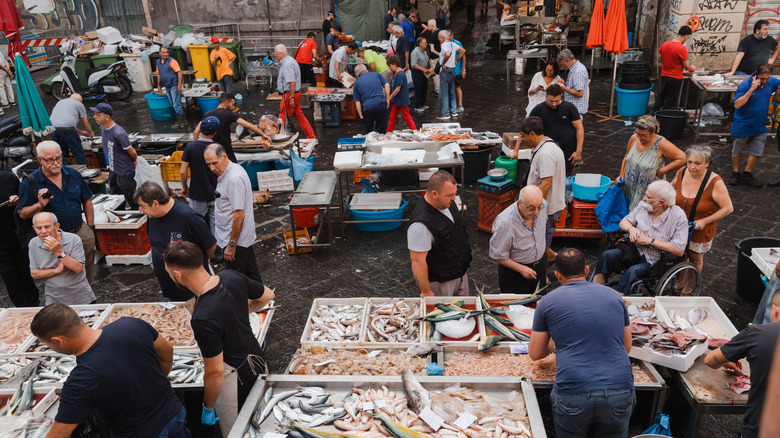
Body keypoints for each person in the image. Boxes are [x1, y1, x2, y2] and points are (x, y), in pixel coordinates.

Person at [163, 241, 274, 436]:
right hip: (257, 361)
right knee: (263, 421)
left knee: (239, 432)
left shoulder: (202, 317)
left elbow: (215, 372)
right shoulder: (230, 276)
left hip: (236, 380)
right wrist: (240, 311)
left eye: (170, 274)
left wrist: (208, 406)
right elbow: (268, 296)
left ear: (178, 275)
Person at [30, 303, 190, 438]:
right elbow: (167, 350)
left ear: (58, 341)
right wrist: (154, 382)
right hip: (174, 414)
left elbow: (60, 433)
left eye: (47, 344)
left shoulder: (80, 381)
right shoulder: (131, 325)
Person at [530, 248, 635, 437]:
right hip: (619, 389)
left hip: (573, 391)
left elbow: (536, 353)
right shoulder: (615, 297)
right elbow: (627, 347)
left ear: (557, 275)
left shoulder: (547, 302)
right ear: (586, 270)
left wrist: (556, 344)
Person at [17, 141, 97, 285]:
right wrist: (40, 205)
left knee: (86, 270)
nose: (55, 163)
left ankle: (87, 295)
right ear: (40, 160)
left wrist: (90, 227)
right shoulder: (30, 182)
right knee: (62, 277)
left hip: (80, 231)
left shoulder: (73, 174)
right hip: (54, 239)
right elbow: (23, 213)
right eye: (50, 160)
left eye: (58, 158)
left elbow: (87, 201)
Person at [705, 290, 780, 438]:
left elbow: (710, 360)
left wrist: (725, 362)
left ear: (775, 309)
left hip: (759, 429)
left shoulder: (757, 333)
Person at [593, 181, 689, 295]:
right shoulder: (643, 206)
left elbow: (679, 250)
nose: (644, 199)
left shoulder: (678, 217)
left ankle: (619, 297)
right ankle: (594, 290)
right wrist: (631, 229)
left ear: (661, 203)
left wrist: (650, 241)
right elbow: (624, 222)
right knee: (607, 256)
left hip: (655, 261)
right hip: (633, 250)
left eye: (648, 197)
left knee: (632, 272)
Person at [134, 181, 216, 301]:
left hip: (191, 289)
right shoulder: (152, 215)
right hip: (170, 286)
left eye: (142, 205)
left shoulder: (188, 217)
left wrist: (204, 259)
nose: (140, 209)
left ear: (155, 203)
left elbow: (210, 244)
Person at [671, 145, 733, 294]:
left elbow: (728, 208)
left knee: (695, 259)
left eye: (697, 163)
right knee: (681, 255)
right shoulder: (682, 172)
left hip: (699, 230)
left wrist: (705, 221)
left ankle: (688, 290)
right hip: (679, 226)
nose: (692, 167)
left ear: (707, 163)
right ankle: (679, 284)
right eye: (689, 162)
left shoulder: (715, 182)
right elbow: (671, 188)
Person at [408, 170, 471, 297]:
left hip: (460, 274)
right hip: (441, 284)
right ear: (434, 194)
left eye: (454, 193)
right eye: (449, 195)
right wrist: (426, 291)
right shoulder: (420, 225)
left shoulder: (447, 203)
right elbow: (417, 261)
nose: (453, 198)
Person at [205, 143, 261, 282]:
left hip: (236, 240)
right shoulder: (227, 171)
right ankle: (261, 295)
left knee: (233, 280)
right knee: (251, 275)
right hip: (238, 238)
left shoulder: (233, 178)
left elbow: (239, 215)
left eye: (214, 163)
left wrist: (231, 245)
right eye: (208, 164)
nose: (212, 168)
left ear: (224, 156)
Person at [517, 116, 566, 261]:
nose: (523, 140)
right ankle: (552, 257)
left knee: (541, 243)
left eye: (524, 136)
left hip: (547, 208)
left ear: (532, 134)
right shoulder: (548, 144)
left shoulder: (546, 153)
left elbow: (546, 184)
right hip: (548, 205)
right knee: (543, 241)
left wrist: (535, 209)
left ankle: (543, 269)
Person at [618, 115, 686, 210]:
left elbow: (682, 158)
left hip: (647, 192)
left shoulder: (661, 144)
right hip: (629, 187)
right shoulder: (634, 138)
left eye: (644, 135)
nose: (640, 137)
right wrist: (621, 174)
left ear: (653, 131)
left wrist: (663, 170)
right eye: (638, 133)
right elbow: (626, 156)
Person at [490, 185, 548, 294]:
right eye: (531, 208)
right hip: (515, 275)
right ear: (520, 203)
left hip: (539, 266)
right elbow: (497, 254)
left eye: (539, 207)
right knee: (518, 304)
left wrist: (543, 272)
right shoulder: (505, 223)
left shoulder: (543, 205)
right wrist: (521, 269)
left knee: (540, 300)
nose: (536, 212)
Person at [729, 64, 780, 187]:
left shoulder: (771, 82)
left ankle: (747, 174)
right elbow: (737, 104)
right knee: (737, 149)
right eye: (762, 78)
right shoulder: (745, 84)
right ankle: (735, 173)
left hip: (760, 125)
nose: (765, 81)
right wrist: (751, 89)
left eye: (767, 78)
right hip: (743, 124)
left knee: (756, 151)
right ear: (756, 74)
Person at [29, 212, 95, 305]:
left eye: (47, 227)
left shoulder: (73, 239)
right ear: (34, 228)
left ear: (56, 226)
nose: (43, 231)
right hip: (53, 300)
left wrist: (59, 252)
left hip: (81, 298)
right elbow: (34, 274)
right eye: (38, 228)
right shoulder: (33, 243)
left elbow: (78, 268)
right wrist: (56, 270)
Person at [525, 84, 583, 177]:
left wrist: (578, 150)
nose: (554, 104)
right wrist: (516, 150)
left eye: (557, 101)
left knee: (564, 176)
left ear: (561, 96)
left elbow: (579, 129)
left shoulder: (570, 108)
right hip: (547, 152)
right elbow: (526, 128)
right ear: (546, 96)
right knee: (546, 175)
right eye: (551, 101)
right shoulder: (539, 109)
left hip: (567, 151)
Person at [0, 170, 39, 307]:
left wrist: (17, 200)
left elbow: (24, 201)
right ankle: (22, 308)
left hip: (18, 235)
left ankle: (35, 303)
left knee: (26, 270)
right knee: (9, 276)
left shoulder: (8, 177)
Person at [195, 93, 269, 163]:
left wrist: (197, 148)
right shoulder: (229, 114)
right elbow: (248, 125)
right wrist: (263, 134)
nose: (233, 107)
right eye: (232, 104)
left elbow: (196, 131)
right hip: (225, 150)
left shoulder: (207, 114)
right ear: (226, 103)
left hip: (211, 151)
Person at [92, 103, 137, 209]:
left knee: (131, 196)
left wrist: (134, 160)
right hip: (113, 168)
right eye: (95, 114)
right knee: (116, 197)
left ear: (107, 117)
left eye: (98, 115)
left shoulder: (118, 133)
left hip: (124, 170)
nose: (94, 117)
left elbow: (133, 152)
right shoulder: (103, 128)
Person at [182, 116, 219, 235]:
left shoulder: (190, 147)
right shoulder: (217, 149)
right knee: (215, 225)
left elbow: (183, 171)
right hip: (215, 192)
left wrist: (184, 187)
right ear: (215, 133)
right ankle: (216, 245)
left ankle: (202, 245)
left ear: (200, 129)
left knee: (197, 225)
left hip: (197, 193)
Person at [275, 44, 317, 139]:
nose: (275, 56)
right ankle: (311, 136)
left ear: (281, 53)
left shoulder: (287, 64)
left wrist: (291, 97)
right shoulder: (290, 61)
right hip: (294, 93)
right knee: (300, 117)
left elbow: (292, 82)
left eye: (276, 54)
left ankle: (281, 138)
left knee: (283, 118)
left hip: (289, 94)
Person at [653, 25, 693, 112]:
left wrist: (669, 62)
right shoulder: (681, 48)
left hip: (664, 75)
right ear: (686, 35)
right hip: (675, 77)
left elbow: (659, 59)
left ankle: (652, 113)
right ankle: (664, 116)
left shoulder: (665, 44)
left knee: (661, 96)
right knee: (670, 99)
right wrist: (690, 67)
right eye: (688, 37)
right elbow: (687, 66)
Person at [49, 93, 95, 165]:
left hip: (53, 130)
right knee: (78, 153)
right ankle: (84, 170)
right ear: (79, 100)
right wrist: (91, 133)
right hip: (67, 131)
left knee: (62, 155)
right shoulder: (79, 104)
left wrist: (82, 133)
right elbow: (85, 123)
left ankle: (65, 170)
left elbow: (64, 124)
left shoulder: (60, 102)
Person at [352, 64, 390, 134]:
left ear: (357, 75)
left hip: (368, 107)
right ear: (366, 70)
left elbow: (357, 101)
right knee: (381, 131)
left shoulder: (356, 83)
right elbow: (387, 85)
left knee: (368, 132)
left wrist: (360, 115)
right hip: (381, 104)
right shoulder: (377, 74)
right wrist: (387, 99)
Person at [156, 46, 187, 129]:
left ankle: (180, 122)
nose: (166, 54)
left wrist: (179, 85)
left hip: (174, 85)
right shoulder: (158, 62)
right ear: (160, 53)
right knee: (173, 104)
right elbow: (158, 74)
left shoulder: (172, 61)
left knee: (176, 104)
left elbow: (179, 72)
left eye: (167, 52)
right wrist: (158, 86)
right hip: (167, 86)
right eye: (163, 52)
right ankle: (183, 120)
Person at [437, 30, 465, 120]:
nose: (438, 39)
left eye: (439, 37)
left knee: (444, 93)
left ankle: (446, 113)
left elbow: (447, 54)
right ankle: (454, 111)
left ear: (443, 38)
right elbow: (463, 51)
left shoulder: (444, 45)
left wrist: (443, 63)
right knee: (452, 92)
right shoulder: (453, 44)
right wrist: (456, 60)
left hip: (446, 70)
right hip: (453, 70)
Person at [386, 55, 417, 132]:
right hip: (397, 100)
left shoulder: (400, 74)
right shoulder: (396, 73)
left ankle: (415, 131)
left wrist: (389, 98)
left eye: (390, 66)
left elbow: (397, 89)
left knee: (406, 117)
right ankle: (388, 132)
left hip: (401, 100)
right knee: (392, 117)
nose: (389, 68)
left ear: (394, 64)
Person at [557, 49, 589, 115]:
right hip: (573, 109)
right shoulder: (574, 69)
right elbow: (574, 86)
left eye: (563, 64)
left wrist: (564, 88)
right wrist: (564, 83)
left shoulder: (578, 71)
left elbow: (580, 93)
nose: (562, 67)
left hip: (576, 110)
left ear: (569, 60)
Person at [411, 38, 432, 112]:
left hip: (424, 72)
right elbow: (414, 65)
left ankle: (423, 104)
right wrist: (423, 69)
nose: (426, 44)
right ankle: (418, 105)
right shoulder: (415, 52)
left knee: (424, 88)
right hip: (418, 72)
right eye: (425, 43)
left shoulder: (424, 51)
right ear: (420, 44)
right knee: (418, 89)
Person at [449, 31, 466, 113]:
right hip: (450, 69)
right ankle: (452, 105)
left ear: (452, 35)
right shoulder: (447, 43)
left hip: (457, 70)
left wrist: (463, 69)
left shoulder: (457, 43)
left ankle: (460, 104)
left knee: (457, 87)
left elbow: (463, 56)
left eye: (449, 36)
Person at [426, 20, 441, 94]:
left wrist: (439, 54)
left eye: (428, 25)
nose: (427, 27)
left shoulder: (432, 35)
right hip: (441, 57)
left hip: (434, 58)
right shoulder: (441, 32)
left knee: (436, 75)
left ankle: (438, 90)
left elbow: (432, 50)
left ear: (432, 25)